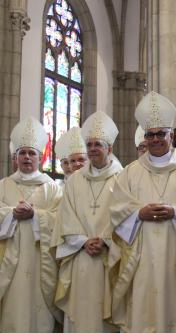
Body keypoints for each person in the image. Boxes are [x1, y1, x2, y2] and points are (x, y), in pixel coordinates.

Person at [108, 91, 176, 332]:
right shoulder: (129, 173)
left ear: (172, 135)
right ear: (144, 137)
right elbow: (116, 211)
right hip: (141, 260)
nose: (155, 139)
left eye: (160, 134)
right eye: (150, 135)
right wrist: (138, 214)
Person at [51, 111, 122, 332]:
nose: (92, 149)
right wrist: (82, 241)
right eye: (89, 145)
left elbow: (125, 216)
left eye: (97, 145)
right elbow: (66, 217)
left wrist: (105, 240)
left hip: (109, 258)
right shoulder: (74, 182)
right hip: (80, 257)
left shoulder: (124, 178)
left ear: (109, 148)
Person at [0, 117, 62, 332]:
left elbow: (61, 220)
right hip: (9, 265)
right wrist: (12, 214)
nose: (27, 157)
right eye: (22, 153)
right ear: (15, 158)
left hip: (40, 264)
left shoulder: (52, 188)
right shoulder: (3, 185)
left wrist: (36, 215)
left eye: (31, 153)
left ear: (40, 157)